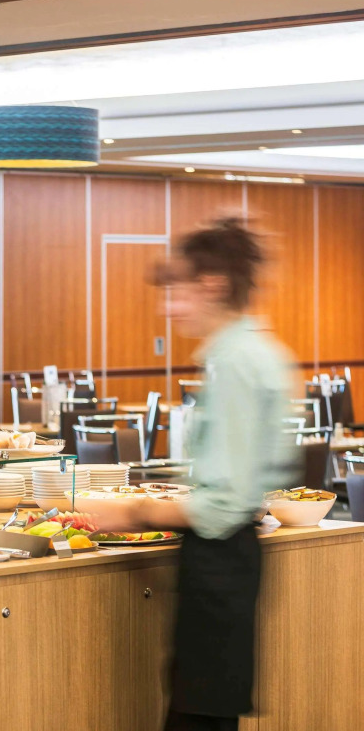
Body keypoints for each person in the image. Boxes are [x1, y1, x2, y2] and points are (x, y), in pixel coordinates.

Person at [101, 218, 297, 731]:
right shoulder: (255, 351)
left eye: (176, 290)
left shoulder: (234, 361)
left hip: (219, 562)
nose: (168, 308)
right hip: (233, 561)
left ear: (211, 285)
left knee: (199, 717)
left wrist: (130, 511)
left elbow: (222, 504)